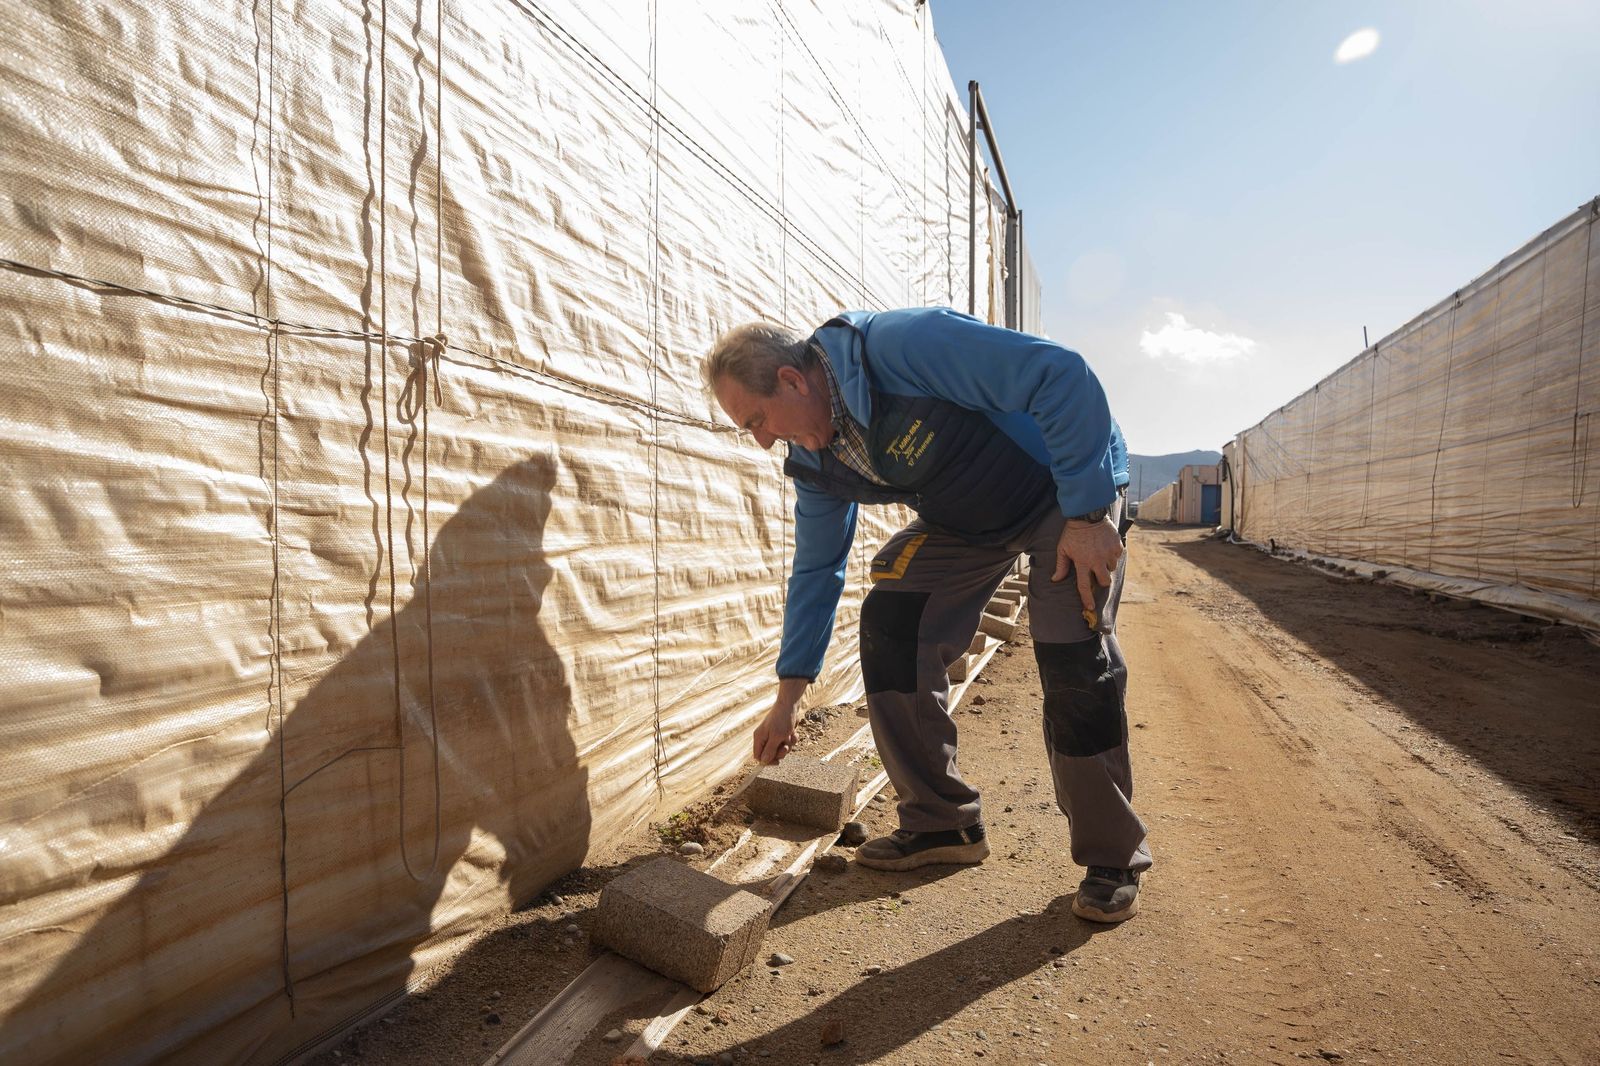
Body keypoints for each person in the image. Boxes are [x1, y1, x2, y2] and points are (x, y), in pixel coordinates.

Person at [702, 307, 1151, 922]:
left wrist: (1090, 513)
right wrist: (788, 697)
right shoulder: (815, 461)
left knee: (1072, 656)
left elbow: (1061, 374)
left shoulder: (901, 348)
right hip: (969, 520)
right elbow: (816, 570)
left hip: (1063, 489)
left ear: (792, 380)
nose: (760, 439)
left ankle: (1112, 856)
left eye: (757, 420)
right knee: (893, 620)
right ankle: (943, 823)